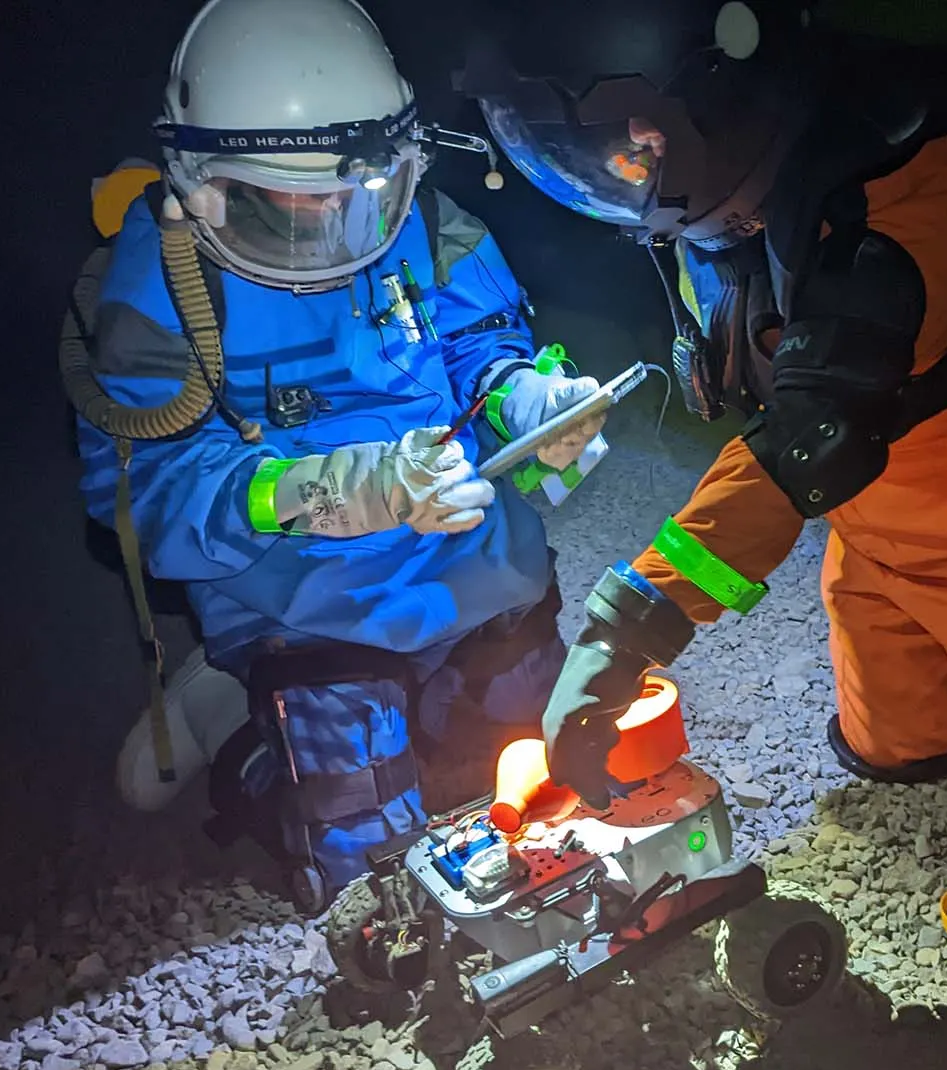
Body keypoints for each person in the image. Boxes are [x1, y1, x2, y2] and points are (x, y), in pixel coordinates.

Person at [454, 0, 947, 844]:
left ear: (717, 97)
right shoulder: (747, 179)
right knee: (896, 743)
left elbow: (806, 439)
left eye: (634, 146)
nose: (617, 169)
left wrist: (623, 634)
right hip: (871, 514)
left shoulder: (913, 202)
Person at [66, 0, 604, 909]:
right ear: (203, 182)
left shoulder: (426, 225)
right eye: (288, 202)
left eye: (353, 195)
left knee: (545, 770)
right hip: (299, 601)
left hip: (465, 564)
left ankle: (411, 710)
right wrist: (325, 493)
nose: (330, 222)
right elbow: (146, 495)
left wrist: (527, 397)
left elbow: (482, 343)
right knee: (370, 867)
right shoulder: (157, 288)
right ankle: (253, 735)